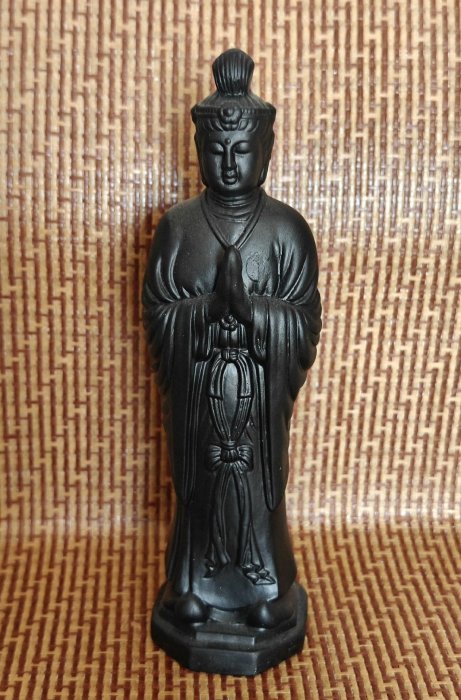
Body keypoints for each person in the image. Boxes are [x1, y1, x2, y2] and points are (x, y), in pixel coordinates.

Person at [143, 48, 321, 672]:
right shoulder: (178, 228)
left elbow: (304, 322)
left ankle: (267, 591)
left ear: (266, 150)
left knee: (255, 486)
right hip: (199, 398)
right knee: (201, 488)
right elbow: (158, 316)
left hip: (257, 403)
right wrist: (204, 312)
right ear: (199, 148)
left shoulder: (288, 231)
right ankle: (191, 587)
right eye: (216, 149)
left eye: (242, 149)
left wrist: (255, 315)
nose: (228, 161)